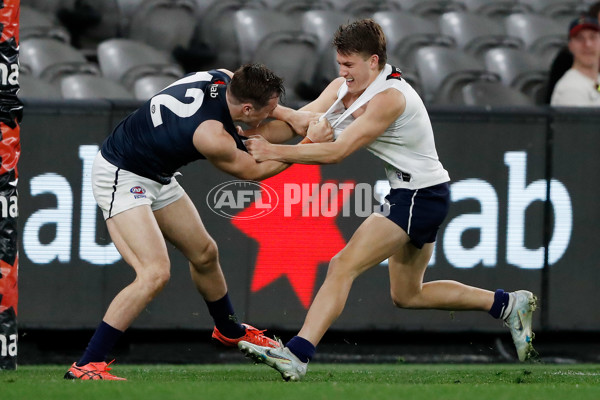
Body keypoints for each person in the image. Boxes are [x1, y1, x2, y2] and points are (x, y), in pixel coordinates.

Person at [236, 19, 538, 382]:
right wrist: (262, 116)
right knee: (408, 295)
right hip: (415, 193)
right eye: (340, 63)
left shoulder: (391, 98)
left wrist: (272, 150)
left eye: (350, 64)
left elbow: (338, 151)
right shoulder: (342, 87)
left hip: (420, 195)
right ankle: (506, 304)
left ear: (374, 61)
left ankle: (297, 354)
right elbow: (307, 121)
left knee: (342, 265)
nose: (343, 72)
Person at [64, 64, 329, 380]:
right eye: (268, 111)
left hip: (155, 173)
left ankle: (229, 329)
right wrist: (309, 145)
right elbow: (253, 171)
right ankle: (86, 364)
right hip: (121, 175)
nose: (270, 115)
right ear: (246, 108)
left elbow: (251, 101)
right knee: (154, 273)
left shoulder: (223, 77)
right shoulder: (211, 135)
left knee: (204, 253)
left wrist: (290, 115)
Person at [546, 1, 600, 103]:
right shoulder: (570, 89)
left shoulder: (595, 81)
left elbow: (596, 88)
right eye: (580, 39)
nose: (588, 44)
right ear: (570, 46)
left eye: (593, 37)